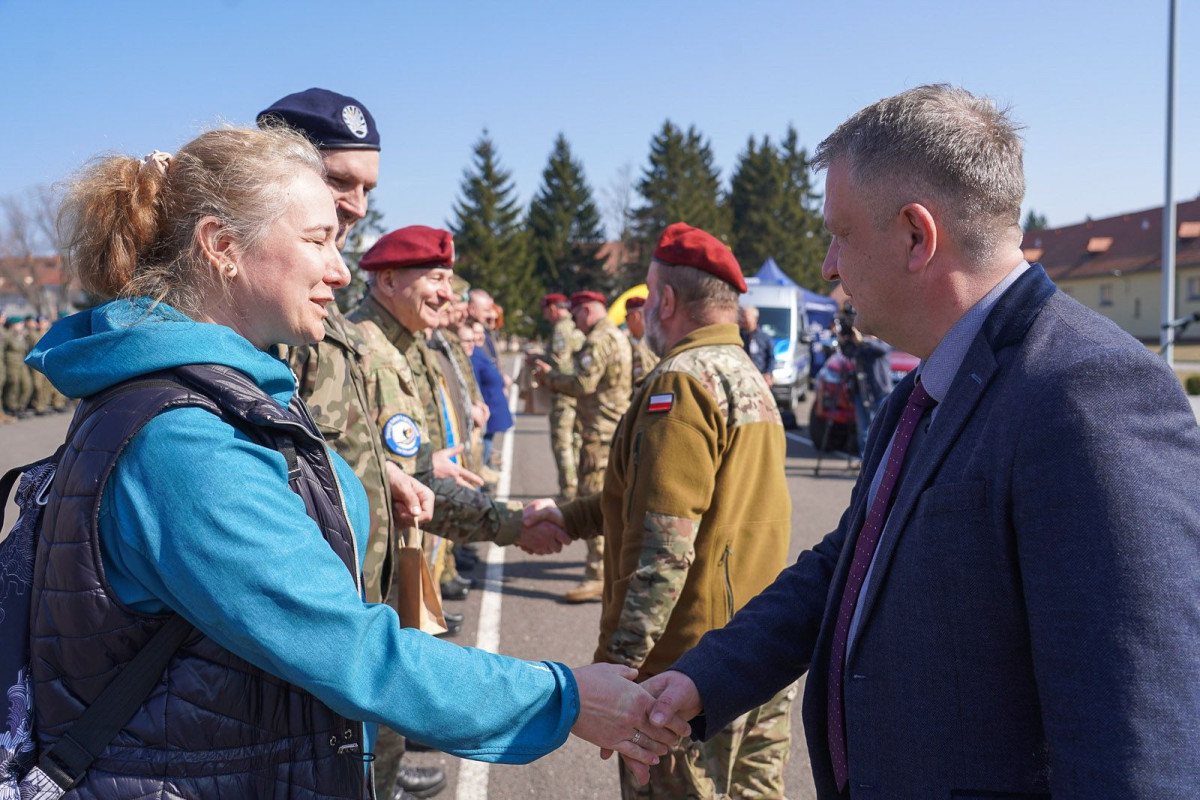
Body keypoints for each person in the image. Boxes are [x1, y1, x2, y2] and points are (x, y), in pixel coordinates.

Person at [24, 126, 684, 799]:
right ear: (222, 246)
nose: (340, 270)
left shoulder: (214, 398)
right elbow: (350, 650)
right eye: (316, 240)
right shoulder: (185, 443)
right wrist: (565, 699)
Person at [640, 85, 1200, 798]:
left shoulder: (1089, 393)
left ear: (915, 235)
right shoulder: (925, 390)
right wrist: (703, 678)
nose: (828, 266)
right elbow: (848, 562)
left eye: (839, 233)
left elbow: (1137, 741)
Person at [530, 223, 795, 798]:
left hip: (685, 674)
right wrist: (571, 517)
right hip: (759, 649)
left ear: (668, 301)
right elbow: (656, 500)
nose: (646, 309)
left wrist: (616, 673)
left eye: (649, 297)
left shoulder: (679, 383)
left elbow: (664, 549)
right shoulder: (748, 375)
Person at [257, 89, 443, 796]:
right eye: (341, 182)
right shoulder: (264, 314)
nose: (359, 206)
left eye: (367, 188)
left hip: (356, 604)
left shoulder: (320, 309)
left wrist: (378, 479)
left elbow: (323, 438)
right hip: (305, 631)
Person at [533, 291, 632, 604]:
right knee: (612, 501)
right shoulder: (617, 336)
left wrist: (550, 379)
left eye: (576, 314)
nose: (574, 321)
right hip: (613, 428)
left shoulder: (599, 340)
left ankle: (597, 575)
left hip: (599, 433)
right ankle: (608, 570)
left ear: (588, 310)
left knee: (596, 501)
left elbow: (583, 385)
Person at [540, 292, 585, 501]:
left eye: (546, 312)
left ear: (553, 309)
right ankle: (577, 487)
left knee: (562, 442)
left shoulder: (561, 329)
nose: (546, 317)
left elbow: (560, 364)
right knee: (576, 440)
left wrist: (543, 368)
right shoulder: (577, 327)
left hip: (563, 393)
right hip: (578, 392)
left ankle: (568, 491)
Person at [835, 306, 893, 457]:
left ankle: (880, 461)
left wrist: (861, 340)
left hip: (880, 392)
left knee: (881, 429)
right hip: (861, 392)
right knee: (864, 430)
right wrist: (843, 341)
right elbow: (849, 354)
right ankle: (864, 462)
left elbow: (882, 350)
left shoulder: (880, 341)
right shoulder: (859, 344)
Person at [467, 319, 514, 466]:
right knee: (482, 445)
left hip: (491, 407)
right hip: (485, 408)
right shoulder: (472, 355)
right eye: (476, 333)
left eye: (482, 333)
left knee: (487, 443)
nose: (480, 337)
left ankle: (485, 467)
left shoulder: (480, 351)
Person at [624, 296, 659, 389]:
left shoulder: (655, 342)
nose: (626, 322)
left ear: (635, 316)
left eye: (627, 317)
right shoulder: (660, 340)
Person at [737, 305, 774, 386]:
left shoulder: (765, 337)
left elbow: (771, 358)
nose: (742, 319)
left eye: (745, 316)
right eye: (741, 316)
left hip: (760, 379)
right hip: (742, 379)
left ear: (755, 318)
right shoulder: (737, 336)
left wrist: (768, 374)